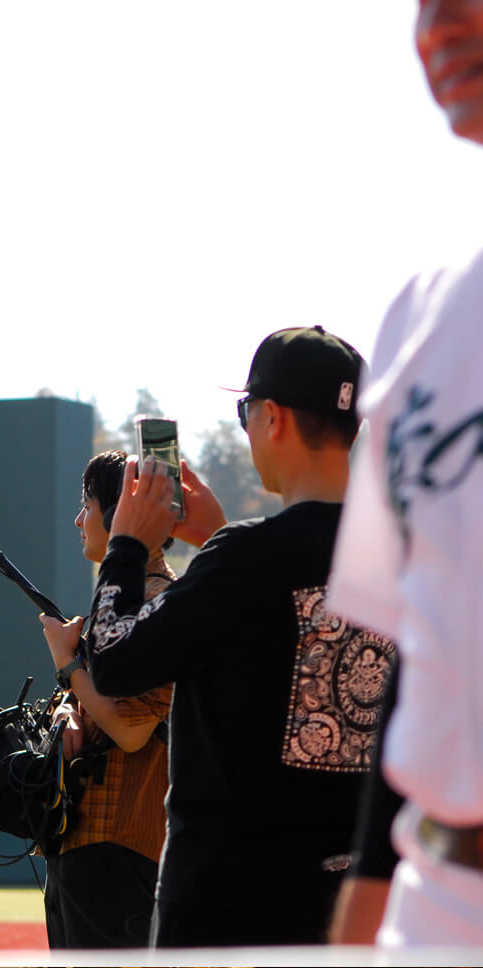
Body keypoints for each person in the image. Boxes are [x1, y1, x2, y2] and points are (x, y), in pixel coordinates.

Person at [74, 326, 397, 948]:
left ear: (271, 417)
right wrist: (220, 540)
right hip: (355, 906)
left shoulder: (246, 560)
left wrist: (127, 545)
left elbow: (112, 661)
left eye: (246, 410)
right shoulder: (401, 556)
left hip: (229, 908)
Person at [325, 2, 483, 945]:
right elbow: (412, 654)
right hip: (441, 900)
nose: (441, 17)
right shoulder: (418, 315)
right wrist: (363, 917)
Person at [37, 450, 173, 949]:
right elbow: (102, 707)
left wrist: (68, 665)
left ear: (119, 513)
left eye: (86, 504)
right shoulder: (121, 597)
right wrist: (71, 707)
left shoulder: (157, 596)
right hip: (86, 841)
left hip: (120, 849)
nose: (78, 519)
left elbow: (131, 730)